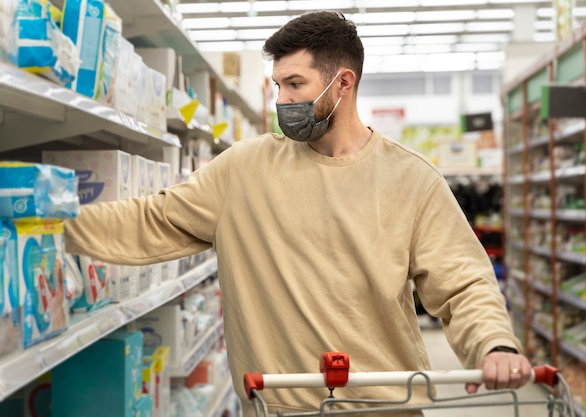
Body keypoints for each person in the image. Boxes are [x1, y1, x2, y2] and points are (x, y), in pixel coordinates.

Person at [63, 10, 532, 417]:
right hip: (278, 406)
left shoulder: (411, 180)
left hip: (386, 406)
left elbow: (464, 282)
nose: (282, 100)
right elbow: (151, 220)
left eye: (295, 84)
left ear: (342, 83)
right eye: (277, 85)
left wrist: (495, 344)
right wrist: (55, 224)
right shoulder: (243, 171)